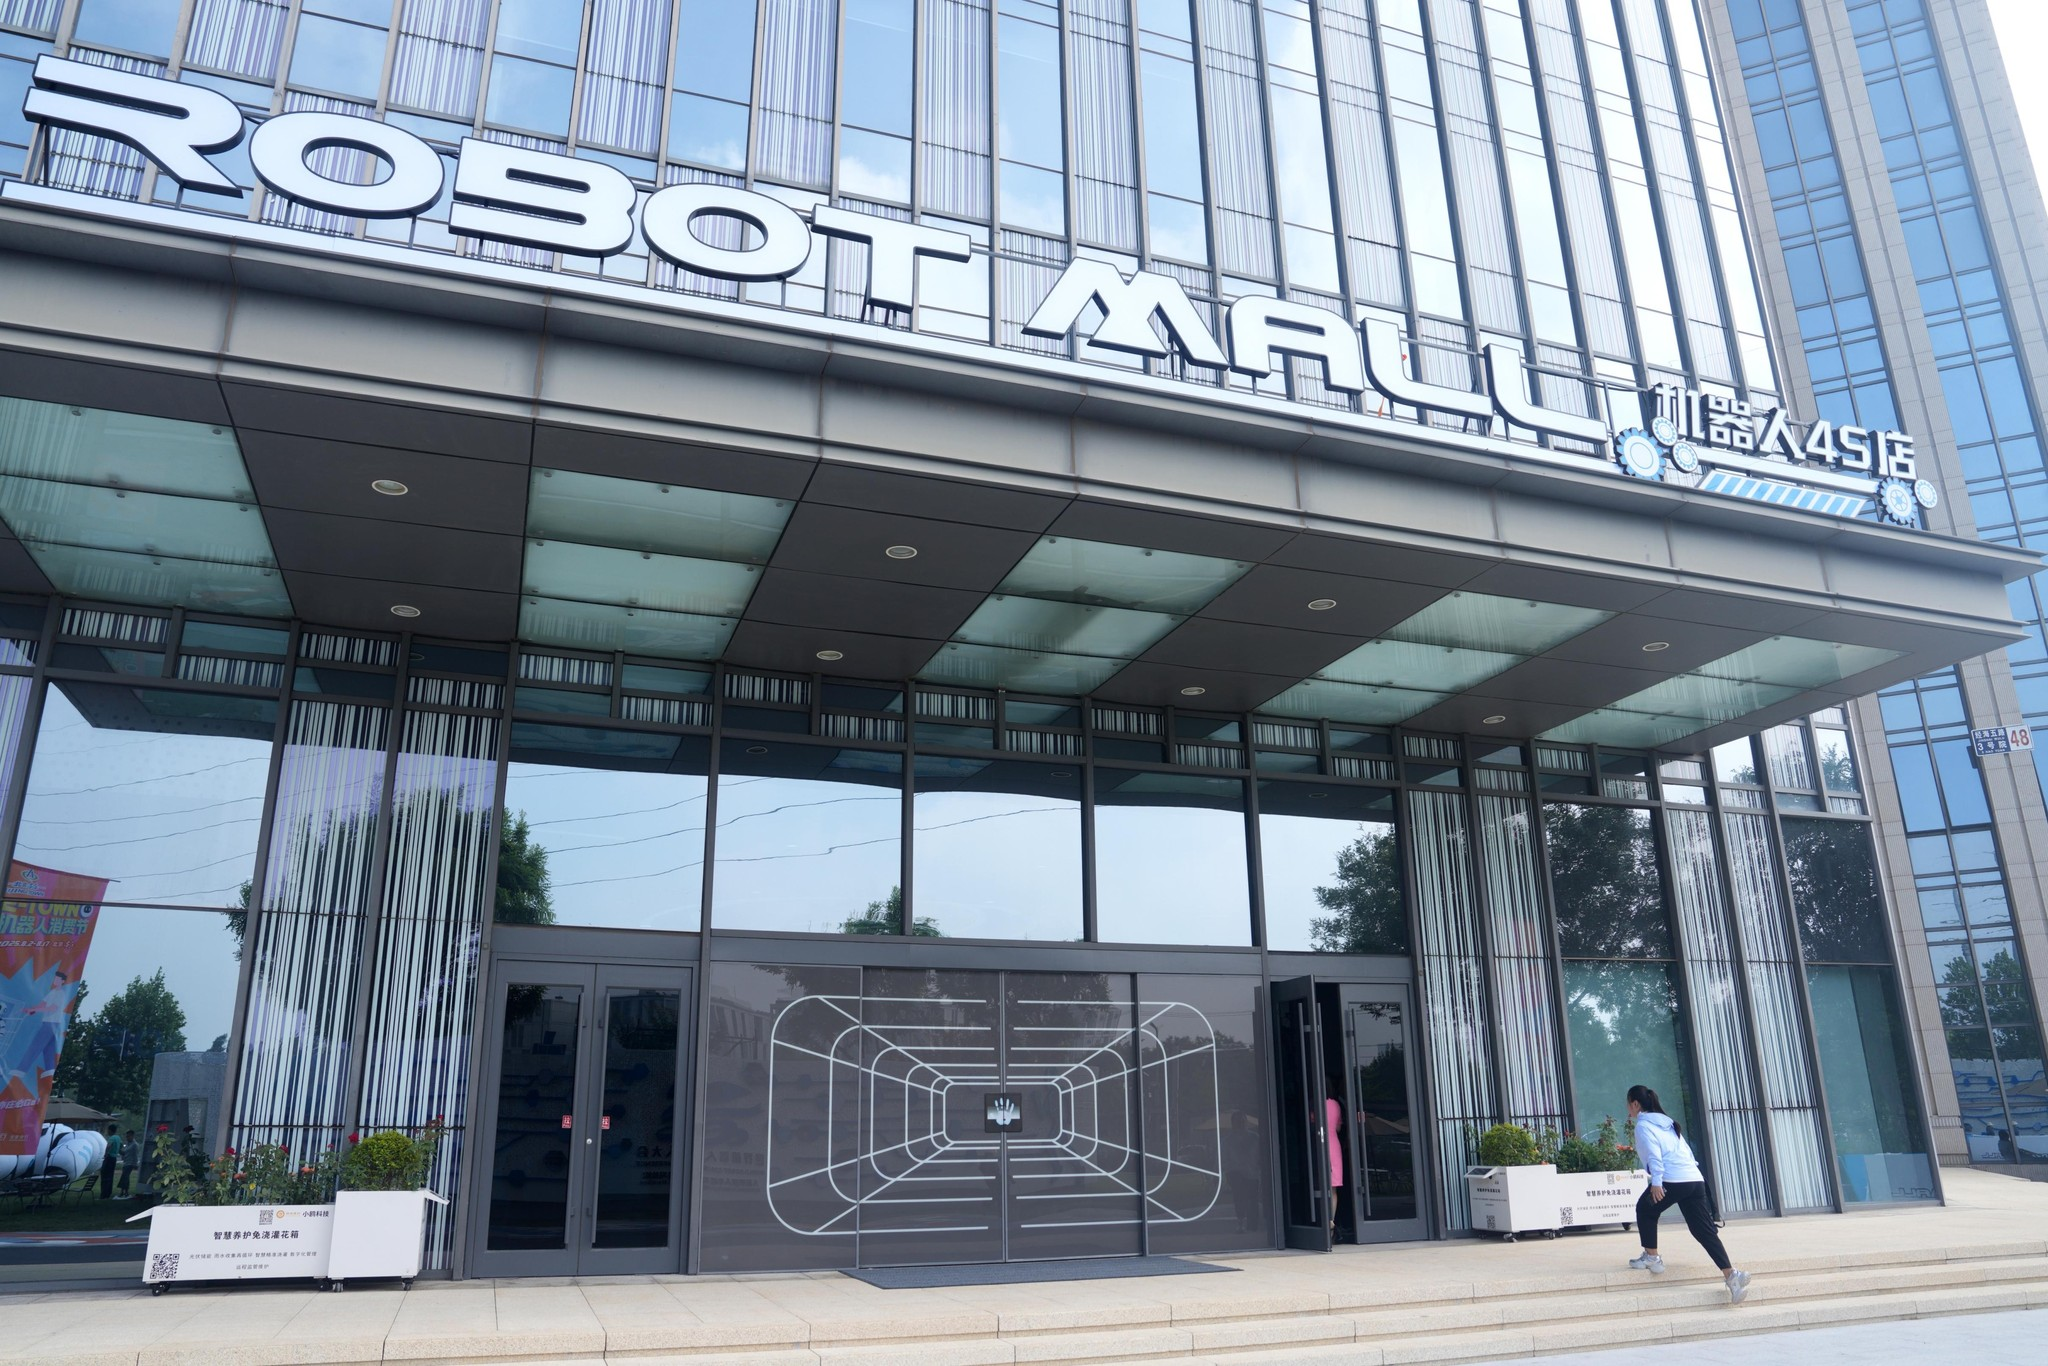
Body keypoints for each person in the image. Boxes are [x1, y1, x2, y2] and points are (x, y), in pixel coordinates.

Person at [1625, 1084, 1751, 1304]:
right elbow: (1686, 1152)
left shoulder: (1644, 1125)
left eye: (1628, 1104)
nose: (1628, 1108)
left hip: (1673, 1179)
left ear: (1635, 1104)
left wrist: (1657, 1182)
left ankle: (1652, 1257)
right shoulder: (1668, 1122)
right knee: (1702, 1230)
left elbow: (1654, 1155)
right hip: (1694, 1179)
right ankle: (1732, 1275)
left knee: (1645, 1209)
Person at [98, 1124, 121, 1199]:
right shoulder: (118, 1138)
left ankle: (103, 1194)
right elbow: (120, 1147)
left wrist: (105, 1154)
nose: (107, 1131)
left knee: (104, 1175)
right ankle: (108, 1193)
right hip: (114, 1158)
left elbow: (109, 1146)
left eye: (108, 1130)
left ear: (110, 1130)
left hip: (109, 1157)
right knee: (110, 1176)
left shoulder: (112, 1138)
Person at [118, 1129, 139, 1197]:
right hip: (126, 1162)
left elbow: (135, 1155)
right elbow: (124, 1153)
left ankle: (124, 1191)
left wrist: (135, 1164)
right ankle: (124, 1191)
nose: (127, 1138)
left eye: (128, 1136)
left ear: (132, 1136)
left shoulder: (134, 1145)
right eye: (126, 1136)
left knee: (125, 1177)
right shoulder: (127, 1144)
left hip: (130, 1163)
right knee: (125, 1177)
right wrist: (119, 1150)